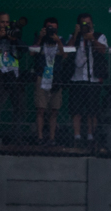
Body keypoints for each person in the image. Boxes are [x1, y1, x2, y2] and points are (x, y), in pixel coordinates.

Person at [68, 13, 108, 149]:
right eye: (83, 24)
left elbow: (103, 50)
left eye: (88, 23)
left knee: (92, 111)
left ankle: (91, 136)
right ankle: (77, 137)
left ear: (92, 24)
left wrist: (92, 39)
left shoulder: (99, 36)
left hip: (93, 78)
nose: (86, 26)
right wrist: (76, 34)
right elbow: (66, 51)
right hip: (77, 78)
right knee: (76, 111)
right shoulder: (74, 36)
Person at [0, 14, 26, 146]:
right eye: (2, 22)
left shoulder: (14, 33)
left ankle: (17, 138)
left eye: (7, 22)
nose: (5, 25)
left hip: (14, 74)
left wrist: (13, 39)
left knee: (19, 107)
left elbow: (24, 49)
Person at [32, 17, 65, 146]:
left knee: (54, 110)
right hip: (42, 75)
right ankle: (40, 137)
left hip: (56, 76)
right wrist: (40, 38)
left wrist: (58, 41)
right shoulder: (40, 39)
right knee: (41, 108)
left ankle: (52, 138)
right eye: (49, 28)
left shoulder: (60, 39)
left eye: (53, 28)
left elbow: (65, 55)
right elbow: (32, 53)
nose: (51, 30)